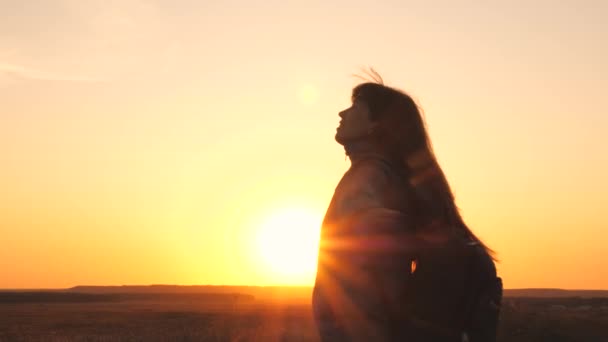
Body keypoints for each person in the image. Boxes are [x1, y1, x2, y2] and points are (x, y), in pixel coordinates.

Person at [312, 74, 501, 341]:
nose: (342, 112)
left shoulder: (370, 180)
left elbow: (371, 292)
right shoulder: (382, 178)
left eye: (356, 107)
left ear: (376, 126)